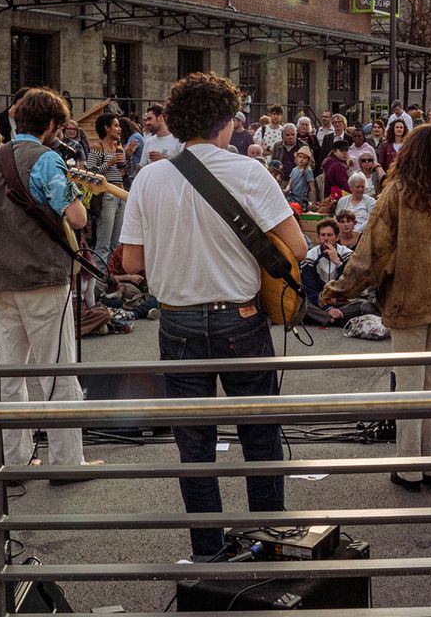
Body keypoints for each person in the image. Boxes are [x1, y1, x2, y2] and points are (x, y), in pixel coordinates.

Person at [120, 72, 306, 559]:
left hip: (176, 321)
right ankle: (268, 545)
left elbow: (132, 262)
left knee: (195, 445)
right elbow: (299, 247)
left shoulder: (149, 176)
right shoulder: (248, 171)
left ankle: (207, 550)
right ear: (226, 123)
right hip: (240, 319)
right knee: (259, 437)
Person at [322, 123, 431, 493]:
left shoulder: (398, 194)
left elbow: (370, 253)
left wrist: (338, 290)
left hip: (408, 296)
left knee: (408, 382)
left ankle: (409, 470)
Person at [0, 88, 99, 478]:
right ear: (53, 124)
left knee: (10, 373)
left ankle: (16, 460)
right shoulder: (46, 159)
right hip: (40, 276)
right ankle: (67, 463)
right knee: (57, 373)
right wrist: (81, 193)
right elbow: (76, 217)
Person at [85, 113, 128, 272]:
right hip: (107, 195)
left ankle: (112, 279)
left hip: (120, 193)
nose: (119, 129)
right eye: (116, 125)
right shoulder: (98, 147)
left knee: (116, 244)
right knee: (103, 242)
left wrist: (126, 157)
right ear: (106, 128)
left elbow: (123, 173)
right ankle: (98, 282)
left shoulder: (118, 147)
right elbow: (90, 172)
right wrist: (109, 163)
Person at [299, 218, 352, 319]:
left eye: (330, 235)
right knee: (299, 305)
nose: (326, 239)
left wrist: (338, 262)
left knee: (364, 305)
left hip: (342, 300)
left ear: (337, 237)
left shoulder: (346, 254)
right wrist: (327, 308)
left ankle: (326, 318)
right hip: (318, 301)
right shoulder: (310, 256)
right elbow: (310, 288)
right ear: (319, 237)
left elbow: (352, 282)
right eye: (323, 235)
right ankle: (334, 318)